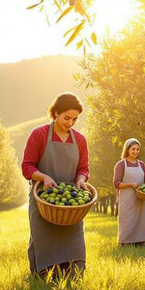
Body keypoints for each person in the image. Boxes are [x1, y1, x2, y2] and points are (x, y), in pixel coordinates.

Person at [22, 93, 89, 277]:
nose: (70, 123)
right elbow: (27, 166)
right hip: (44, 199)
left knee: (73, 240)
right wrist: (43, 177)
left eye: (75, 119)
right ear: (56, 113)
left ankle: (72, 273)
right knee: (44, 239)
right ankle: (43, 274)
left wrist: (81, 179)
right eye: (67, 118)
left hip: (71, 206)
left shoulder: (80, 140)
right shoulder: (39, 134)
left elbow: (83, 168)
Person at [113, 138, 145, 246]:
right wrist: (131, 184)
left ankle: (142, 242)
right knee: (127, 221)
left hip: (140, 198)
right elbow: (116, 183)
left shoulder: (141, 164)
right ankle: (125, 243)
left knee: (141, 220)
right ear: (127, 150)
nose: (135, 151)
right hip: (127, 199)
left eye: (137, 149)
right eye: (133, 149)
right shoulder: (121, 164)